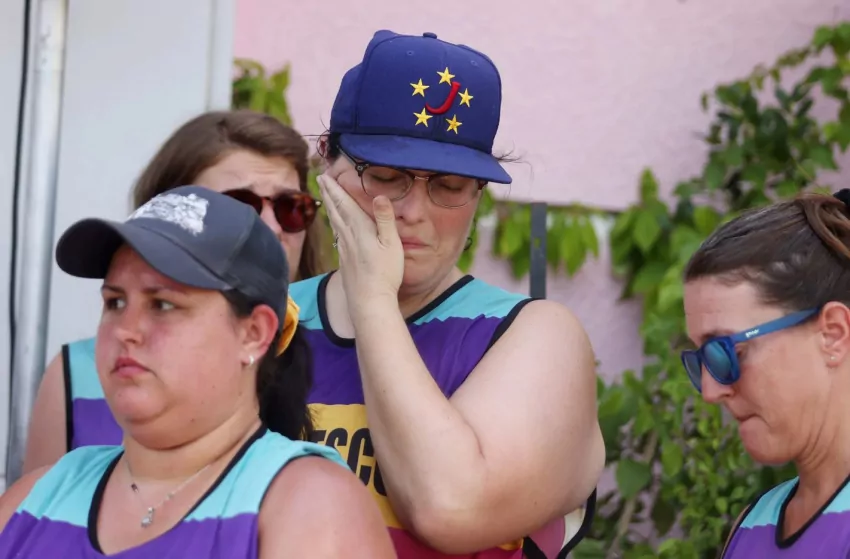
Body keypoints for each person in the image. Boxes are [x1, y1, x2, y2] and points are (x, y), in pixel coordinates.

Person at [292, 29, 604, 558]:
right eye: (385, 176)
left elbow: (450, 508)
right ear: (327, 160)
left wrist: (373, 300)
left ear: (478, 194)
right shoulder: (271, 317)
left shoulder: (531, 335)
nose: (413, 211)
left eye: (449, 186)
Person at [0, 186, 395, 558]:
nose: (125, 330)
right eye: (115, 302)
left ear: (253, 334)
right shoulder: (31, 499)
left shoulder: (308, 504)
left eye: (163, 304)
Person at [22, 109, 328, 474]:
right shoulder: (78, 371)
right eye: (236, 206)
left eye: (291, 208)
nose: (269, 227)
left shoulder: (344, 357)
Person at [681, 189, 850, 557]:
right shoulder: (754, 522)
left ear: (833, 334)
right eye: (703, 360)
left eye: (728, 351)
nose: (710, 391)